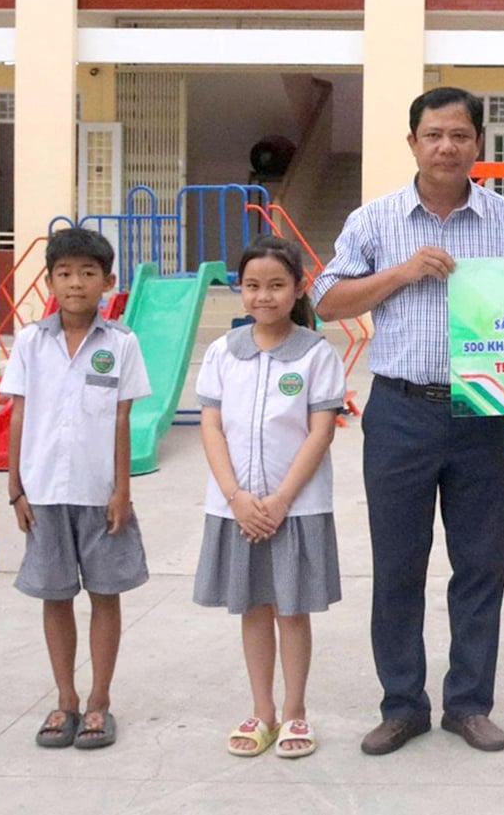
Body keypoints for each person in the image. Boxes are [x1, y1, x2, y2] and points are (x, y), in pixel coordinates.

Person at [312, 87, 504, 755]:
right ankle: (402, 704)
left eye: (460, 135)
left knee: (481, 564)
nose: (447, 147)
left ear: (478, 144)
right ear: (412, 142)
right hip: (400, 410)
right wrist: (402, 272)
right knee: (398, 566)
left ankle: (468, 704)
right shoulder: (374, 219)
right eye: (434, 134)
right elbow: (326, 300)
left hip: (482, 412)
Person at [194, 236, 346, 759]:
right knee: (254, 608)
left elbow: (320, 432)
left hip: (296, 508)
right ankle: (263, 712)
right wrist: (235, 496)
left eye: (277, 285)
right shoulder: (222, 353)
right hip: (236, 509)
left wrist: (280, 500)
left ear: (299, 288)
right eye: (253, 285)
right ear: (240, 289)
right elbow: (211, 427)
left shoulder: (316, 353)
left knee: (292, 610)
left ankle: (295, 711)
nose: (264, 296)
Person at [2, 227, 152, 750]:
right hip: (43, 492)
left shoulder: (122, 343)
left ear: (108, 282)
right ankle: (65, 698)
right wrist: (16, 487)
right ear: (49, 281)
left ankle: (99, 701)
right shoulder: (30, 342)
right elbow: (19, 413)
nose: (75, 283)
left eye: (88, 273)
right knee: (55, 595)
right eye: (64, 273)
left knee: (105, 594)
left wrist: (122, 491)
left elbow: (122, 418)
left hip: (99, 492)